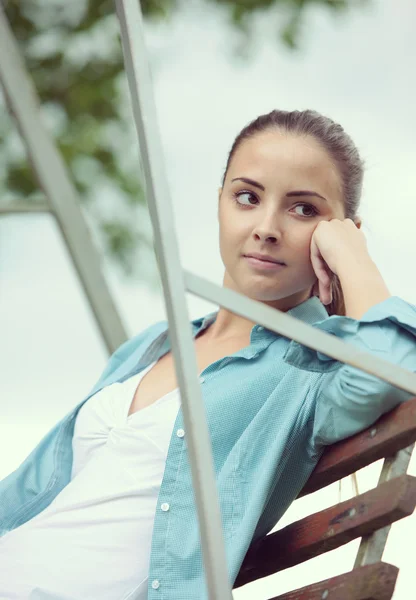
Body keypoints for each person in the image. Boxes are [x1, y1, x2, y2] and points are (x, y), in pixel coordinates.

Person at [0, 109, 415, 600]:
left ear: (342, 231)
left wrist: (354, 258)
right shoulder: (156, 342)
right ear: (220, 203)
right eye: (247, 197)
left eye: (304, 210)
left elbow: (392, 370)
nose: (266, 227)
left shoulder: (307, 371)